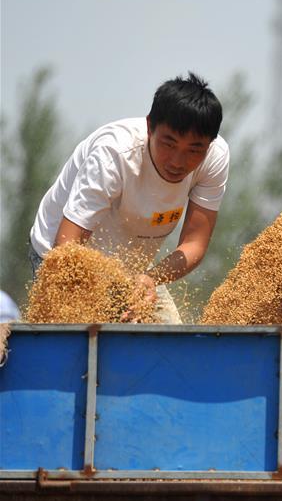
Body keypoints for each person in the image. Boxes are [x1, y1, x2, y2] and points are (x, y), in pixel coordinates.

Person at [28, 72, 229, 323]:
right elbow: (67, 248)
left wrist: (150, 279)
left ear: (209, 144)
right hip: (65, 256)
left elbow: (194, 243)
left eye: (194, 150)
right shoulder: (113, 154)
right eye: (169, 144)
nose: (178, 161)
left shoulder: (215, 158)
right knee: (86, 339)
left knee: (170, 341)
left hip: (133, 271)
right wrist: (101, 300)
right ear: (150, 127)